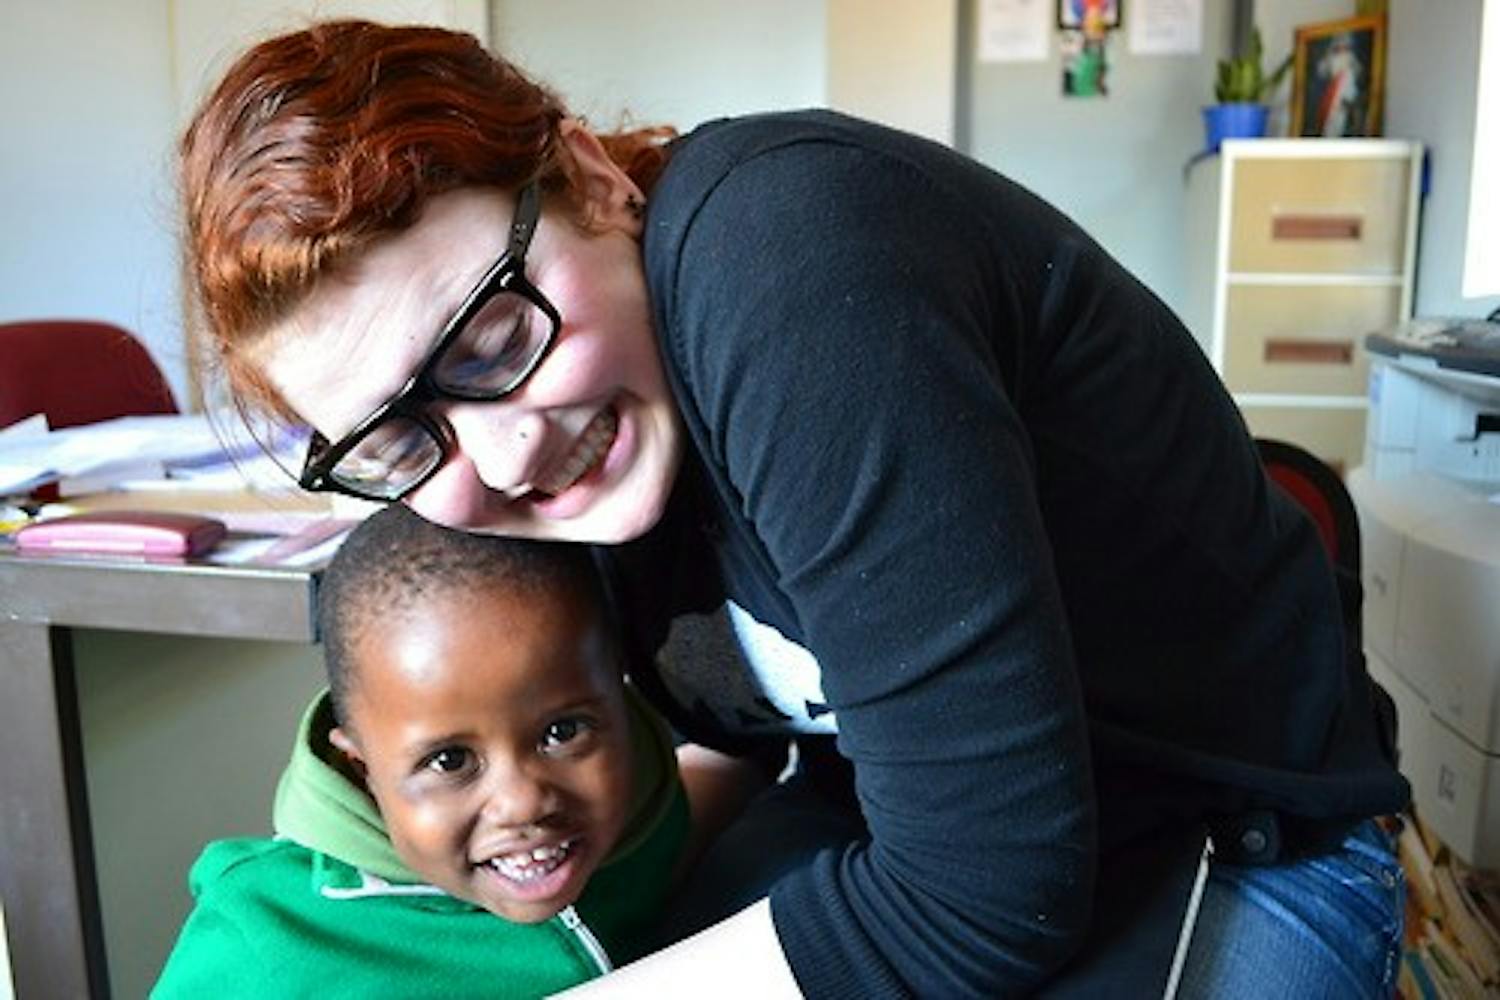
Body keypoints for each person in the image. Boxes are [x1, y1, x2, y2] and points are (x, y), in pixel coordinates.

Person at [177, 20, 1410, 997]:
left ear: (590, 178)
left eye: (498, 333)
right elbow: (736, 736)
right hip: (870, 821)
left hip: (1224, 841)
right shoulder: (550, 479)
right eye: (400, 431)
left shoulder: (788, 257)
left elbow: (987, 898)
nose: (504, 452)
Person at [152, 504, 723, 997]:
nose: (522, 803)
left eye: (563, 732)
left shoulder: (642, 819)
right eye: (451, 762)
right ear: (364, 771)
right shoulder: (268, 934)